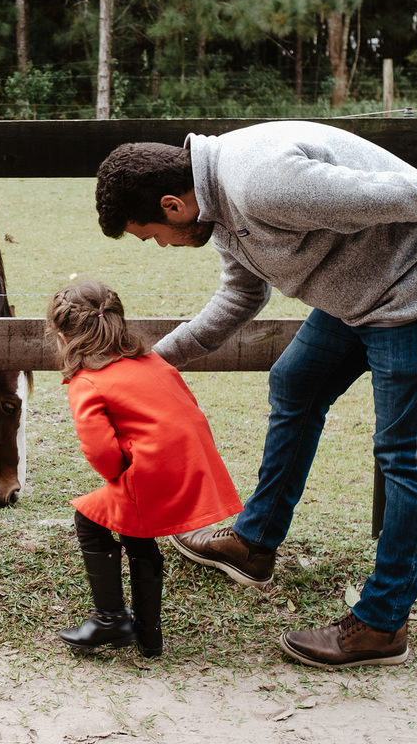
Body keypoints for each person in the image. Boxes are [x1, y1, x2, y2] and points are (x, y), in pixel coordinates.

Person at [94, 120, 417, 669]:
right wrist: (150, 365)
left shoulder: (259, 183)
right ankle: (255, 544)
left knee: (408, 460)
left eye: (151, 234)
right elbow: (240, 297)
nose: (161, 246)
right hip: (362, 296)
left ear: (173, 204)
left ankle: (381, 625)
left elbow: (389, 193)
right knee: (295, 382)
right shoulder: (221, 214)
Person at [47, 280, 243, 657]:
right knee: (131, 526)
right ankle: (148, 634)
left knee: (91, 520)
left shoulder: (87, 382)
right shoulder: (152, 360)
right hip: (193, 467)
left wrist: (121, 468)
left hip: (155, 472)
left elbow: (102, 454)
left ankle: (110, 619)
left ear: (62, 335)